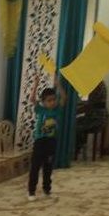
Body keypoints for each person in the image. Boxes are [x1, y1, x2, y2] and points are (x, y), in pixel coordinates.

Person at [27, 74, 66, 202]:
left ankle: (47, 189)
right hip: (40, 142)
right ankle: (31, 191)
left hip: (51, 142)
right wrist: (36, 83)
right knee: (35, 166)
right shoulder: (40, 109)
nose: (52, 102)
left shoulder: (57, 110)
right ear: (43, 102)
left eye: (53, 99)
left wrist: (58, 84)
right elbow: (32, 99)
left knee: (48, 166)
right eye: (49, 100)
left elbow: (64, 97)